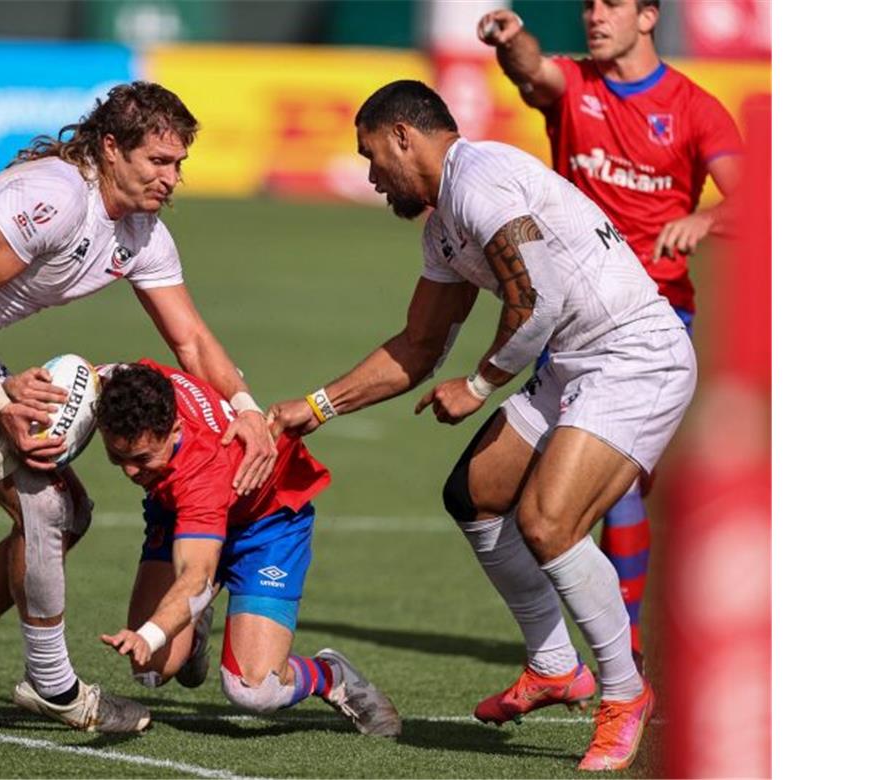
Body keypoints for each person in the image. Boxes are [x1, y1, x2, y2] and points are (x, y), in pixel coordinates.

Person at [269, 80, 694, 771]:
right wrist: (313, 408)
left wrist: (480, 384)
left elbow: (542, 299)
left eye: (372, 155)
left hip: (633, 359)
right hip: (575, 363)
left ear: (404, 135)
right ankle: (556, 666)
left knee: (549, 523)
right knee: (475, 492)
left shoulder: (480, 182)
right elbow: (417, 346)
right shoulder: (444, 223)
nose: (372, 177)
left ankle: (624, 693)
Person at [0, 81, 276, 733]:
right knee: (42, 504)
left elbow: (189, 337)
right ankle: (52, 684)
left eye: (179, 164)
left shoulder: (140, 231)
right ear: (110, 147)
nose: (172, 176)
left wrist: (243, 405)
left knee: (67, 511)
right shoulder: (55, 194)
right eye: (159, 160)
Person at [477, 0, 741, 657]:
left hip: (654, 319)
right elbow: (533, 69)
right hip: (569, 322)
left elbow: (758, 196)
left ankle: (626, 646)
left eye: (612, 5)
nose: (595, 15)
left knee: (615, 490)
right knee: (542, 493)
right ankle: (585, 648)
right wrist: (511, 38)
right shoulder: (575, 86)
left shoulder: (695, 107)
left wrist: (706, 222)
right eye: (589, 5)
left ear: (649, 17)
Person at [95, 361, 402, 737]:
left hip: (266, 525)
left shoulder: (202, 470)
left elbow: (196, 576)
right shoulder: (131, 384)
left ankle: (330, 676)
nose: (130, 472)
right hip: (183, 515)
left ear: (175, 427)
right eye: (116, 457)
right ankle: (191, 626)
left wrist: (150, 634)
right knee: (150, 671)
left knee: (254, 691)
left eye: (141, 458)